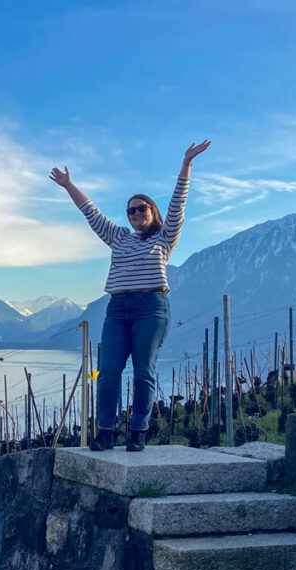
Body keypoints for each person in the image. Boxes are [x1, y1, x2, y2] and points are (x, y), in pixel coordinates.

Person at [50, 140, 210, 451]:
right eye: (130, 210)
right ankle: (105, 432)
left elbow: (178, 202)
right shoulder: (118, 237)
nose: (135, 213)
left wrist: (186, 164)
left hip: (151, 308)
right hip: (117, 309)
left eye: (141, 208)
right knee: (107, 371)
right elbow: (90, 212)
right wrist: (69, 185)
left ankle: (138, 431)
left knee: (143, 371)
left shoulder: (165, 236)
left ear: (152, 210)